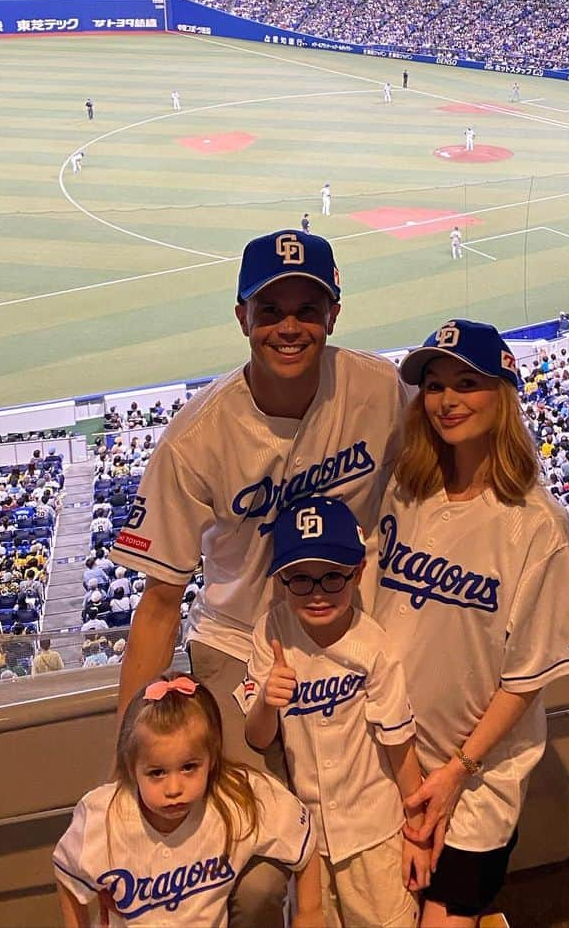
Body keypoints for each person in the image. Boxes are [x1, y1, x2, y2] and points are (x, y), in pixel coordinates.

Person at [111, 229, 407, 928]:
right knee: (254, 875)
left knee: (371, 836)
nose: (290, 326)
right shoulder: (198, 436)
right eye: (271, 309)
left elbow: (448, 453)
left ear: (334, 313)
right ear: (241, 316)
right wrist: (127, 763)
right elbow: (159, 603)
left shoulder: (378, 389)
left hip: (346, 630)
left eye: (309, 307)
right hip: (241, 648)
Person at [373, 320, 569, 928]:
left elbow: (526, 678)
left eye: (467, 383)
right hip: (386, 758)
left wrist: (452, 776)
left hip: (475, 779)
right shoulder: (402, 491)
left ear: (503, 393)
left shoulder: (533, 521)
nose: (447, 401)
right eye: (436, 385)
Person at [242, 498, 424, 928]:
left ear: (358, 572)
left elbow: (399, 745)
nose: (318, 592)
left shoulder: (374, 645)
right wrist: (268, 699)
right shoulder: (271, 632)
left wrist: (417, 833)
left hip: (374, 829)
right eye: (300, 579)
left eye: (332, 577)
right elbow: (257, 738)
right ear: (281, 578)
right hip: (310, 836)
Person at [54, 674, 321, 928]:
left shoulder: (237, 797)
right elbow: (68, 874)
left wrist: (311, 911)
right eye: (157, 773)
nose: (174, 788)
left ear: (211, 758)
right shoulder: (103, 816)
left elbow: (302, 836)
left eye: (189, 767)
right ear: (131, 768)